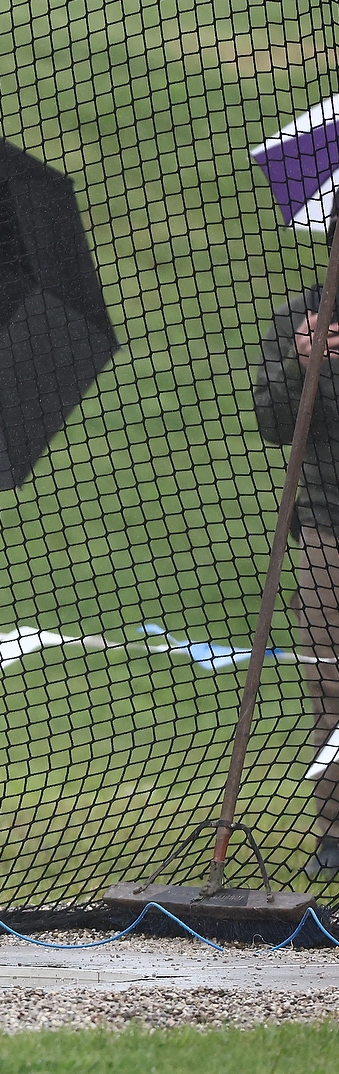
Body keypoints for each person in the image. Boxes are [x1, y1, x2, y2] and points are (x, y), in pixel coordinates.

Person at [252, 277, 339, 880]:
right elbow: (274, 421)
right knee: (331, 688)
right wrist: (301, 363)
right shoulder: (302, 315)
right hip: (327, 529)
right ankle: (335, 831)